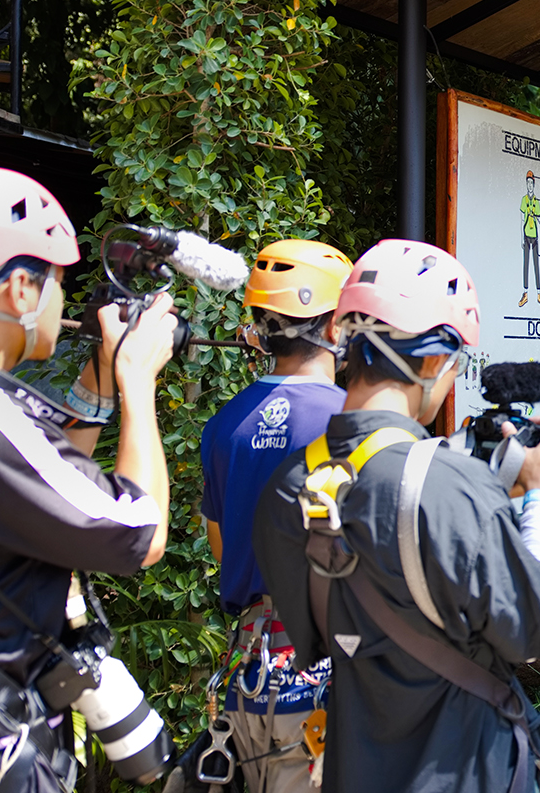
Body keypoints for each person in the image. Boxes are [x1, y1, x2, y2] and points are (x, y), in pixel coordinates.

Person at [254, 239, 540, 793]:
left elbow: (312, 641)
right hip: (467, 767)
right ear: (431, 361)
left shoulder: (288, 486)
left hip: (354, 766)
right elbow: (535, 630)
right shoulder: (449, 485)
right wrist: (538, 496)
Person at [0, 166, 179, 792]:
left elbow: (45, 489)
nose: (62, 301)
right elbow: (137, 530)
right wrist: (138, 381)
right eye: (58, 281)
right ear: (19, 287)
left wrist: (101, 373)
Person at [199, 240, 352, 793]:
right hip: (330, 669)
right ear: (336, 324)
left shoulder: (223, 425)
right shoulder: (352, 424)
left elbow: (224, 549)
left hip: (251, 671)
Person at [520, 170, 540, 309]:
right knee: (526, 265)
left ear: (534, 185)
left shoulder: (537, 202)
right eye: (528, 183)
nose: (530, 185)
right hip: (526, 235)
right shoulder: (524, 200)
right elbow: (521, 219)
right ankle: (525, 294)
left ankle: (539, 294)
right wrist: (520, 239)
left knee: (536, 266)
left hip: (535, 236)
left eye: (531, 183)